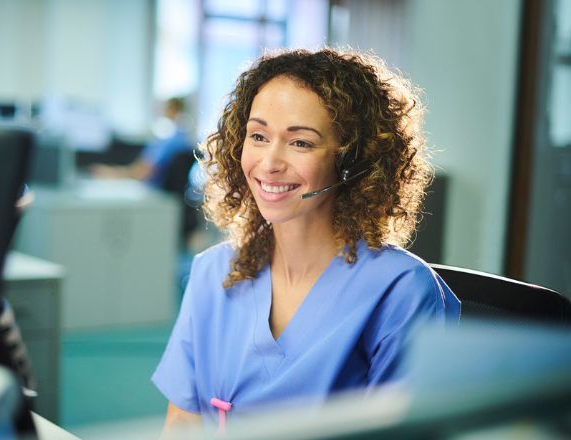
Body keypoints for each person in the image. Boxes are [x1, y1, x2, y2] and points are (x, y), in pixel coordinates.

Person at [151, 48, 461, 435]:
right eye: (258, 136)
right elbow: (182, 423)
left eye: (300, 143)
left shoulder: (401, 292)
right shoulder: (212, 271)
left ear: (353, 160)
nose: (269, 163)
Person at [90, 97, 193, 188]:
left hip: (153, 192)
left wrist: (114, 174)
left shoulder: (169, 142)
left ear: (172, 110)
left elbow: (143, 172)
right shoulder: (181, 139)